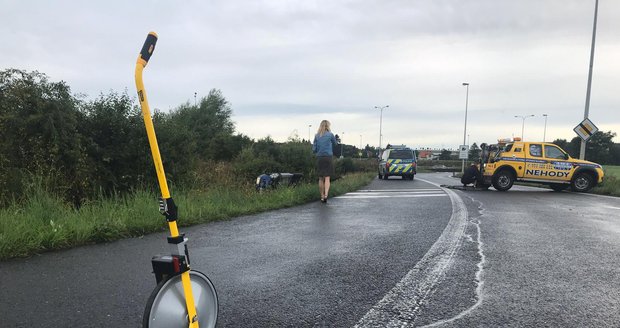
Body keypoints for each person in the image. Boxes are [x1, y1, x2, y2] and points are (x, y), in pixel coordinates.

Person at [312, 120, 337, 203]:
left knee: (320, 178)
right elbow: (335, 143)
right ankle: (326, 195)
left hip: (320, 158)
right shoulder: (330, 135)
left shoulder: (316, 136)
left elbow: (314, 149)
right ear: (328, 126)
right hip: (328, 157)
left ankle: (322, 196)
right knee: (327, 177)